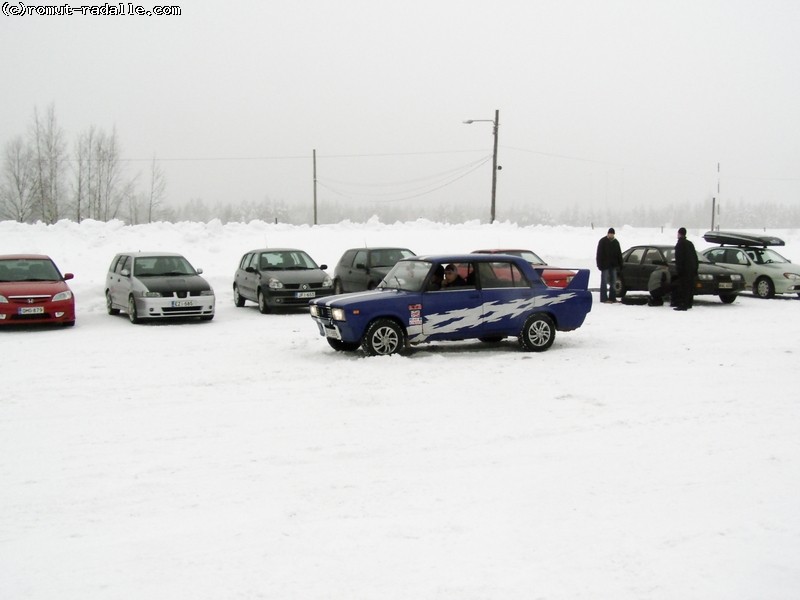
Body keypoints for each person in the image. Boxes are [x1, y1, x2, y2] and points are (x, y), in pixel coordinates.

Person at [673, 227, 699, 311]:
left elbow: (679, 259)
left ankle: (683, 304)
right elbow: (695, 257)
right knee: (690, 288)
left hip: (684, 270)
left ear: (679, 233)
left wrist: (679, 270)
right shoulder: (690, 244)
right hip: (691, 270)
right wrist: (695, 269)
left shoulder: (680, 244)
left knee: (683, 287)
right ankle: (689, 303)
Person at [596, 227, 623, 303]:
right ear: (608, 234)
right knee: (604, 282)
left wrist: (620, 264)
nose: (611, 235)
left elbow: (619, 254)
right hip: (604, 266)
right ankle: (604, 298)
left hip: (613, 265)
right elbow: (599, 254)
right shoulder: (602, 241)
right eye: (610, 234)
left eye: (612, 234)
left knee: (613, 282)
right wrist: (599, 265)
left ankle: (612, 297)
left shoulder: (616, 242)